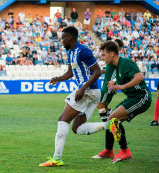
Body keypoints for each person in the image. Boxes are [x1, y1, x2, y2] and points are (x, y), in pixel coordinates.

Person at [39, 26, 104, 167]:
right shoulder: (70, 52)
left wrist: (83, 88)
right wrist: (58, 78)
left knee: (63, 120)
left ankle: (57, 158)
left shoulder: (83, 51)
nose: (61, 41)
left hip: (88, 91)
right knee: (77, 128)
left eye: (63, 38)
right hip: (91, 92)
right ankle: (109, 125)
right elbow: (70, 73)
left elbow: (98, 71)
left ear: (69, 38)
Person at [93, 41, 152, 163]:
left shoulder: (125, 63)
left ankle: (125, 151)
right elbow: (122, 77)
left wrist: (122, 86)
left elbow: (140, 77)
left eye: (104, 55)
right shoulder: (116, 66)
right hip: (132, 97)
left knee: (113, 118)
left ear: (112, 54)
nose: (102, 58)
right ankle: (109, 150)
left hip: (141, 97)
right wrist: (114, 83)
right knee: (112, 119)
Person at [93, 39, 130, 161]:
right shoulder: (112, 62)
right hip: (106, 85)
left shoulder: (119, 62)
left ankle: (109, 128)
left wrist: (114, 81)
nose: (103, 56)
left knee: (102, 107)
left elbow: (117, 73)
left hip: (107, 87)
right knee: (109, 115)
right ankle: (109, 148)